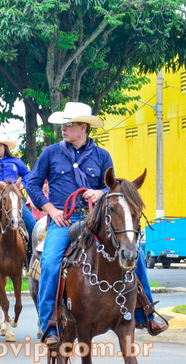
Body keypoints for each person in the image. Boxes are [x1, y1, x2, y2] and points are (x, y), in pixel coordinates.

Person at [25, 101, 167, 347]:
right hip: (64, 221)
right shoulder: (51, 153)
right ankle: (49, 325)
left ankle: (147, 313)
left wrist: (99, 193)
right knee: (49, 263)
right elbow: (32, 185)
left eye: (69, 124)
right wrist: (50, 209)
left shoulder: (102, 156)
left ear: (84, 128)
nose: (64, 129)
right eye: (63, 124)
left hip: (95, 220)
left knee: (136, 253)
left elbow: (111, 187)